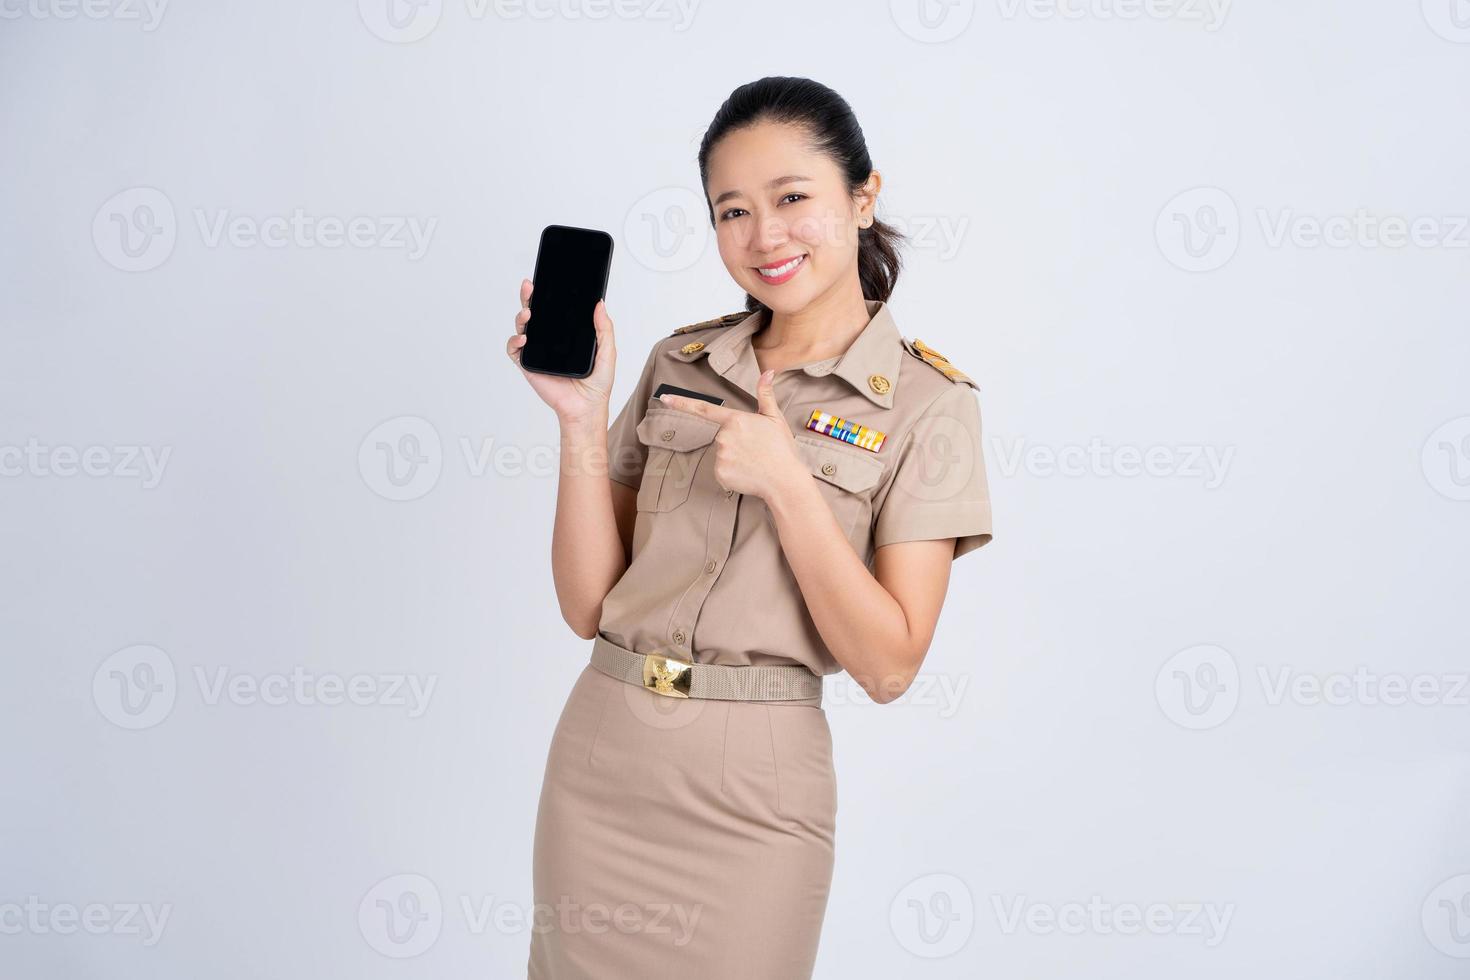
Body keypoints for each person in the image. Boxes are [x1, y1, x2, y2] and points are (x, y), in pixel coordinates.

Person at [507, 76, 993, 980]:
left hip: (759, 789)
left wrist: (788, 484)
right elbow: (586, 607)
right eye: (732, 211)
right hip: (602, 756)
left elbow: (890, 665)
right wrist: (580, 418)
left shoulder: (932, 407)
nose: (763, 236)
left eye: (792, 198)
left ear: (863, 196)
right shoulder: (677, 362)